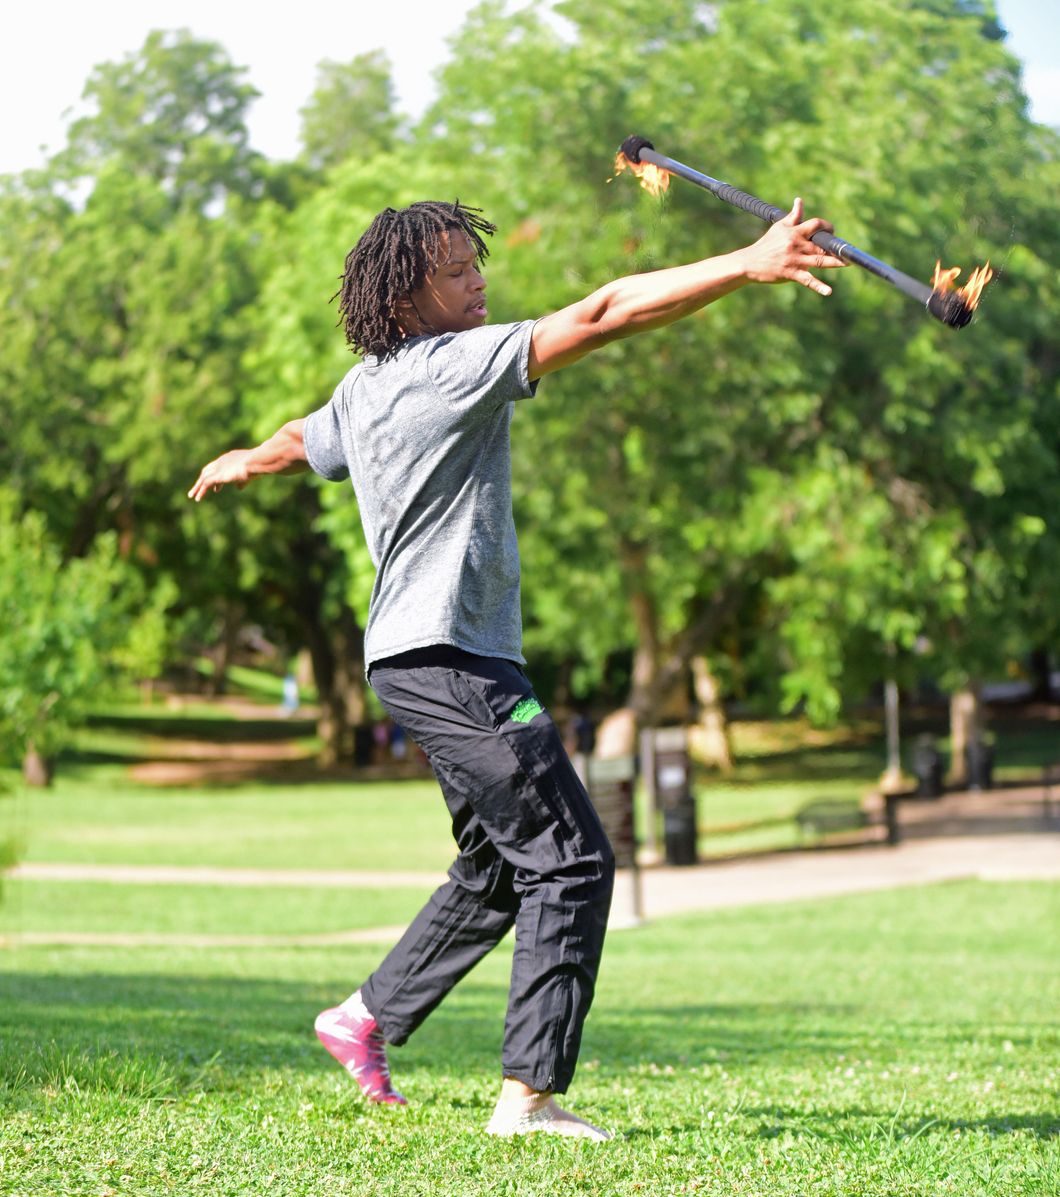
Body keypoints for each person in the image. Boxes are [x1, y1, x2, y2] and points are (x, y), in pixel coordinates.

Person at [189, 196, 845, 1140]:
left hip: (417, 656)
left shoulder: (366, 386)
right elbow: (605, 313)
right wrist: (744, 263)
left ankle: (364, 1015)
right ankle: (528, 1097)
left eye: (474, 263)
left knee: (502, 863)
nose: (478, 281)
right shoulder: (452, 366)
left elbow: (306, 438)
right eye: (455, 272)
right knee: (572, 859)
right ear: (408, 296)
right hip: (455, 656)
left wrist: (248, 459)